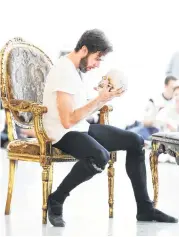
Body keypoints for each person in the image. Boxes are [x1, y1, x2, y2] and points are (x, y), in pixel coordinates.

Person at [42, 29, 178, 227]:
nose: (97, 65)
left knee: (135, 141)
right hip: (61, 133)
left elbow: (78, 112)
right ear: (84, 49)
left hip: (79, 127)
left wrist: (105, 98)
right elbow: (67, 121)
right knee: (100, 156)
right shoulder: (64, 72)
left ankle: (145, 209)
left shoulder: (75, 70)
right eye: (97, 58)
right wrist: (99, 99)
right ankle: (56, 199)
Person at [126, 76, 178, 141]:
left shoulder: (174, 104)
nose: (174, 90)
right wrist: (158, 121)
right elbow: (145, 121)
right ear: (165, 86)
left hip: (163, 133)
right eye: (172, 87)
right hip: (148, 128)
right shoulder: (154, 100)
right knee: (129, 135)